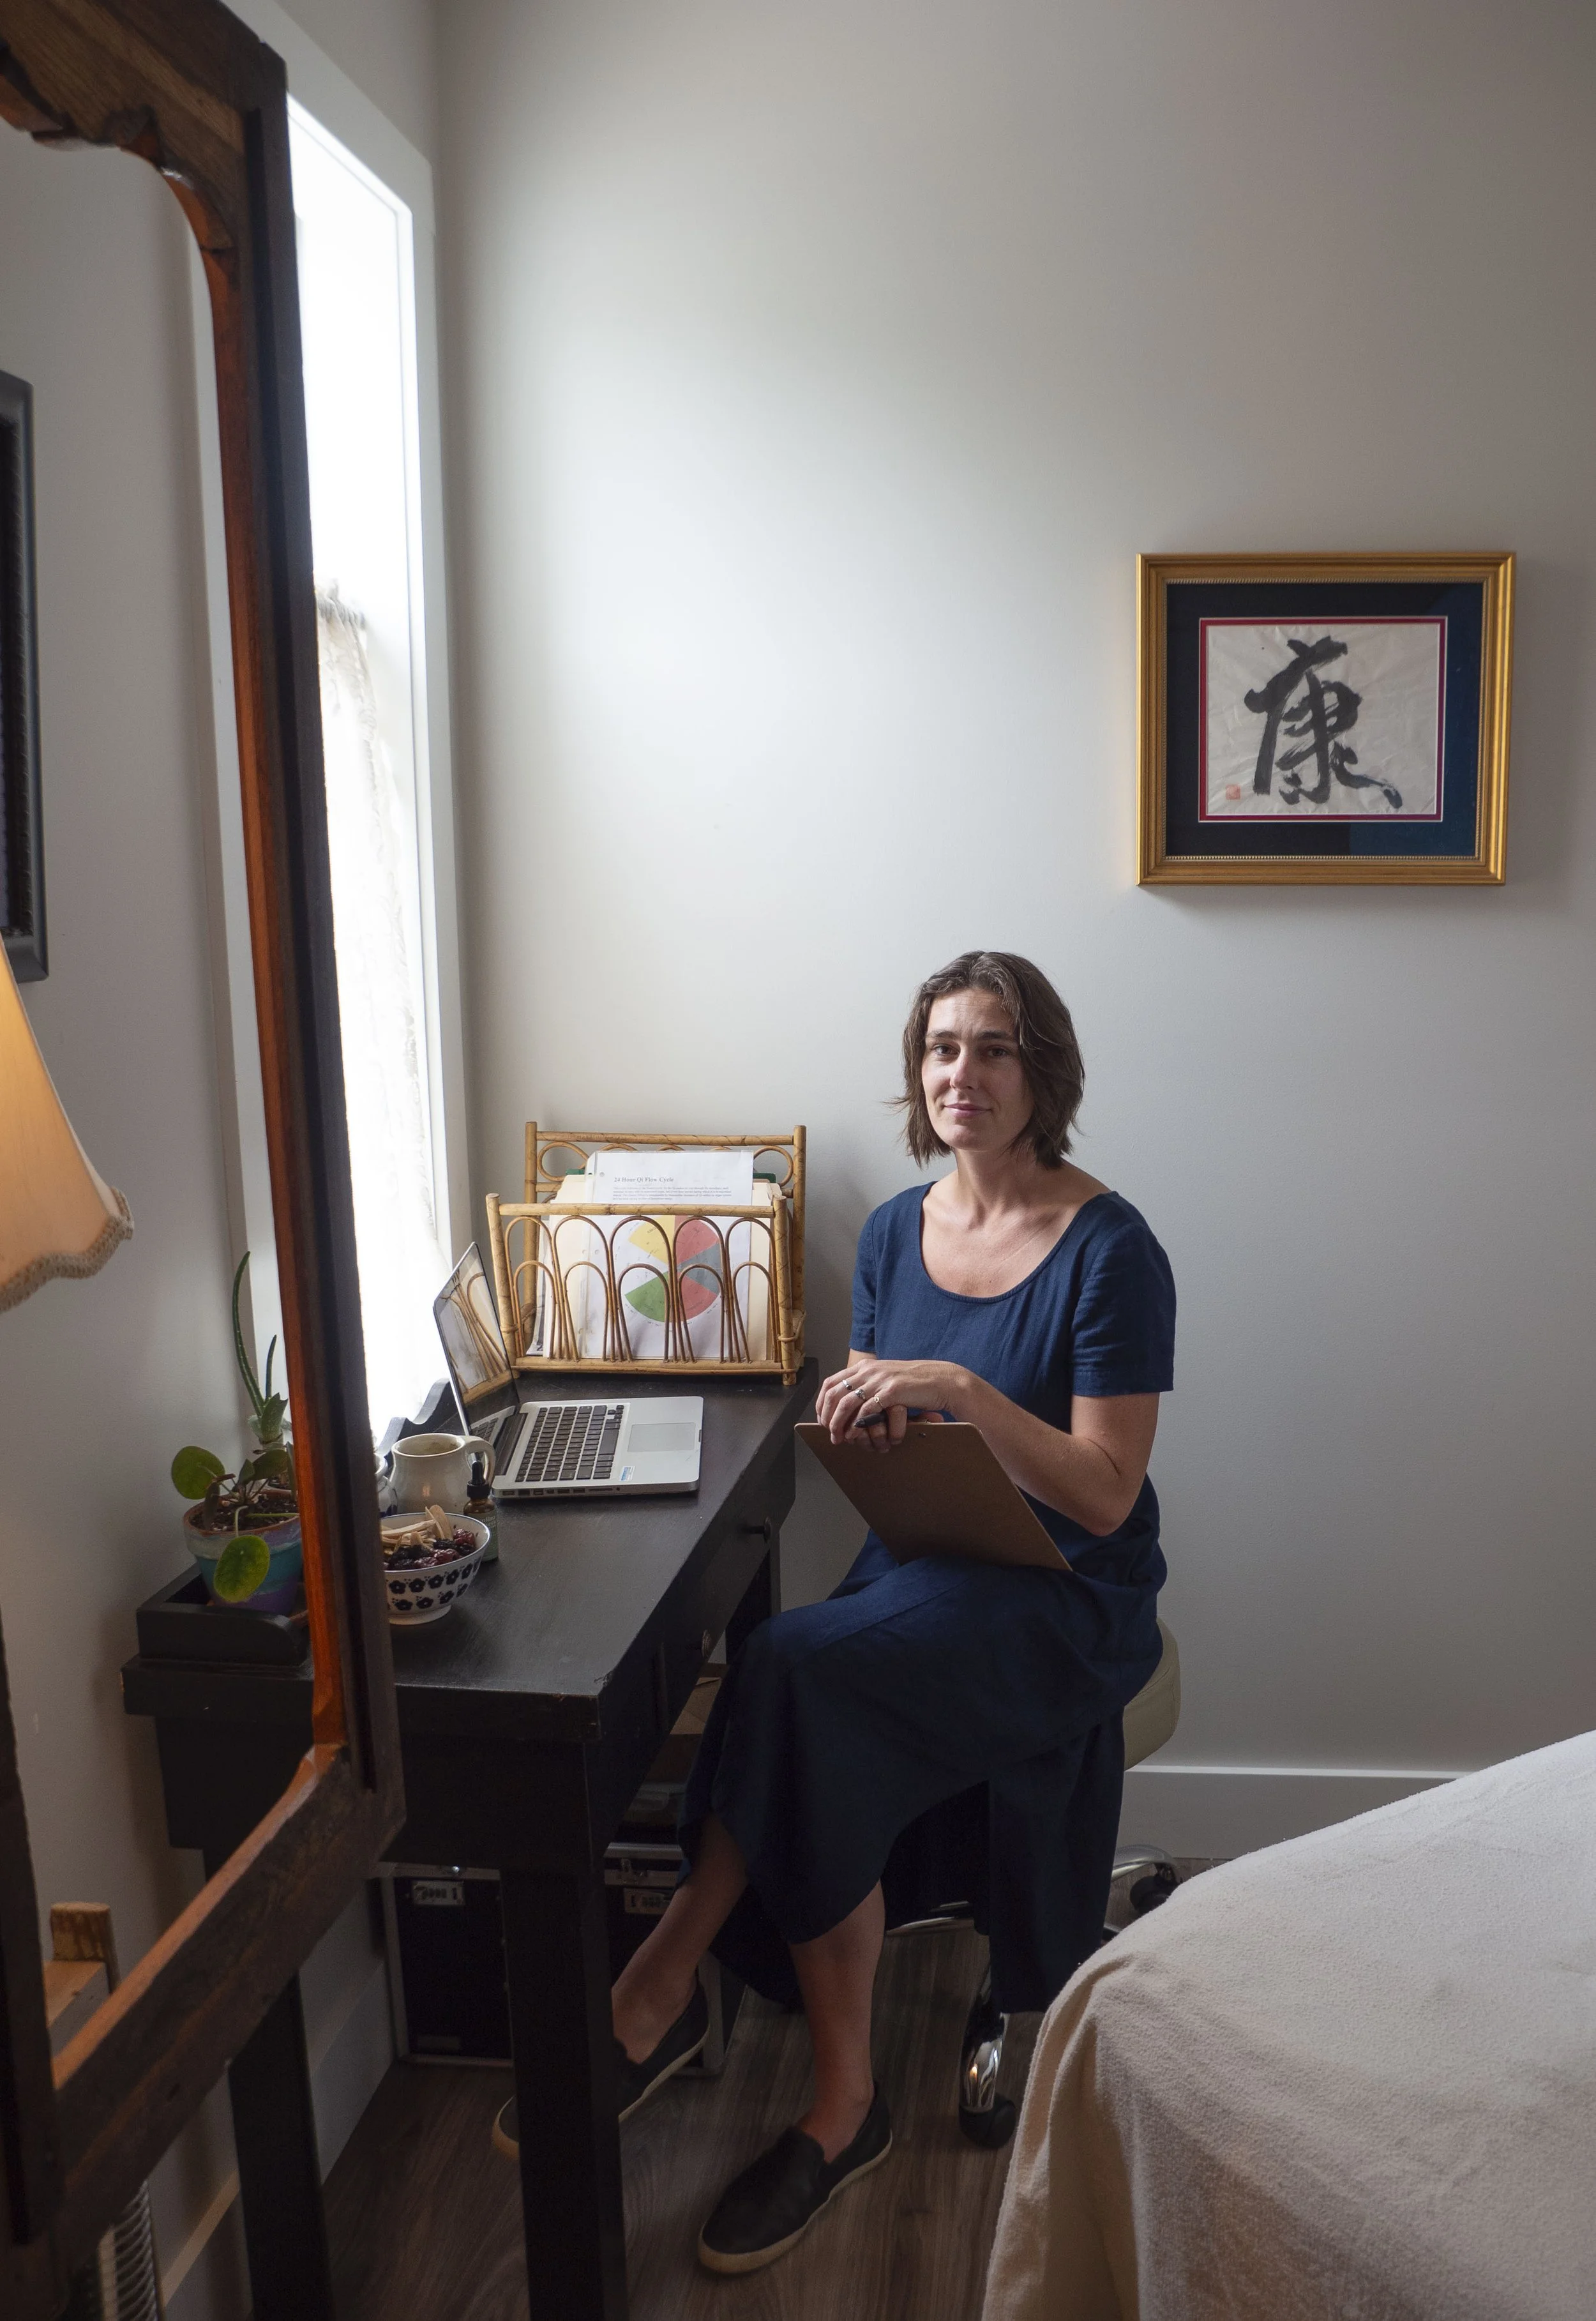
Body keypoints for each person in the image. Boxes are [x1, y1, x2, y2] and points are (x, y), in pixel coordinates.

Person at [495, 950, 1176, 2278]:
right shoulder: (888, 1232)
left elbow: (1102, 1493)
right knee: (787, 1674)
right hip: (932, 1549)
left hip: (1064, 1593)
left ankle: (675, 1991)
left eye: (990, 1048)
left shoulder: (1110, 1248)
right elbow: (881, 1420)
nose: (959, 1075)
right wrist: (872, 1418)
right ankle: (815, 2084)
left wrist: (967, 1396)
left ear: (1044, 1071)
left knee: (793, 1669)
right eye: (937, 1050)